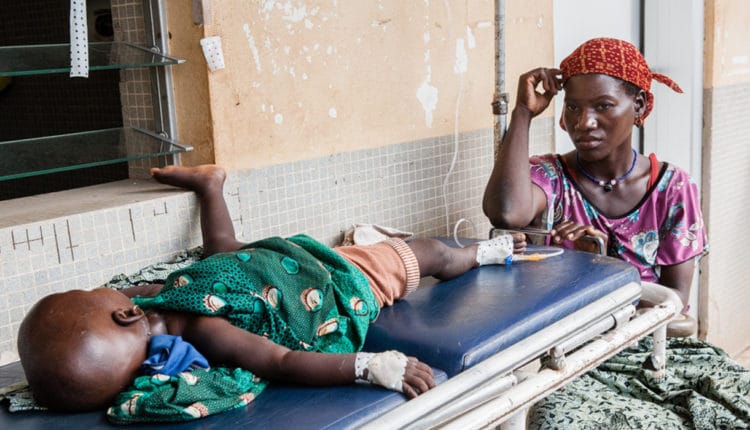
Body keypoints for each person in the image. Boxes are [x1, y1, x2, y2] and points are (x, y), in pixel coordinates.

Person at [17, 164, 526, 422]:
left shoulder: (147, 303)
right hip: (340, 281)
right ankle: (485, 253)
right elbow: (281, 360)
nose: (107, 288)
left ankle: (210, 186)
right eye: (91, 292)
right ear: (125, 316)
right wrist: (373, 366)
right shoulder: (202, 328)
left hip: (266, 267)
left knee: (219, 251)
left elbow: (208, 273)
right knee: (429, 252)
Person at [483, 37, 707, 316]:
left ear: (638, 106)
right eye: (574, 107)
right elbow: (506, 213)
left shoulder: (672, 189)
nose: (583, 122)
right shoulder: (552, 178)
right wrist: (523, 113)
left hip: (654, 343)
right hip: (572, 347)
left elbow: (675, 300)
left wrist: (600, 265)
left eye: (603, 106)